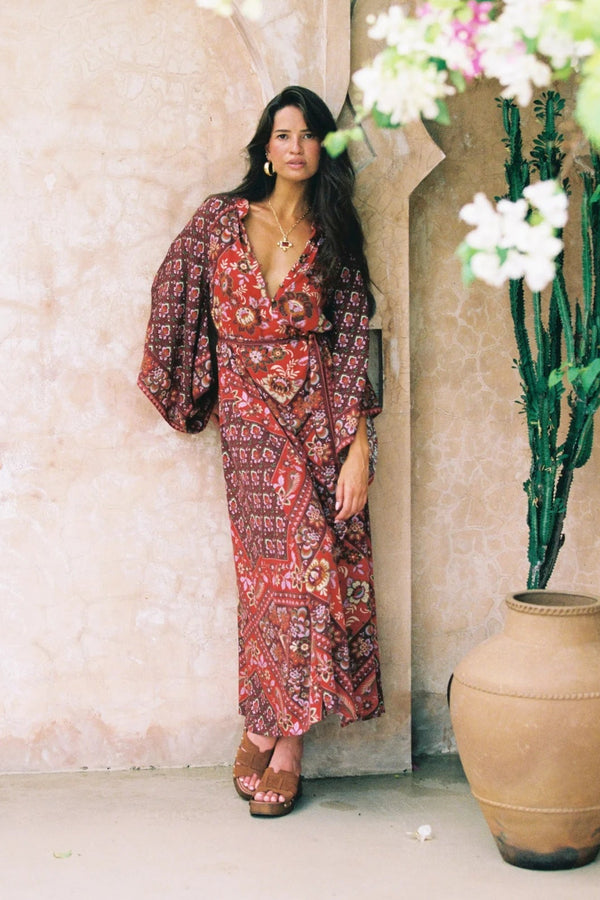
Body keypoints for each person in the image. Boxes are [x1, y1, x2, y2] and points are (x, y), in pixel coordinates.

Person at [138, 85, 384, 817]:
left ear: (322, 150)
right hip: (249, 430)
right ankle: (269, 719)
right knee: (269, 584)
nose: (297, 146)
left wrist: (358, 447)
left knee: (313, 573)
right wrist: (204, 380)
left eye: (309, 135)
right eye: (283, 135)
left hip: (319, 421)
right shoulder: (220, 220)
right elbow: (173, 293)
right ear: (265, 146)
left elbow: (349, 345)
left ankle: (283, 737)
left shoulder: (337, 235)